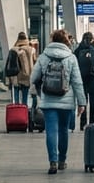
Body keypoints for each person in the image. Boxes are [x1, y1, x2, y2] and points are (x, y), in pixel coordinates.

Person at [30, 29, 86, 174]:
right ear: (66, 41)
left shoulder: (43, 56)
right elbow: (77, 82)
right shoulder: (71, 57)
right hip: (66, 101)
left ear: (52, 40)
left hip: (48, 100)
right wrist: (82, 103)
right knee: (63, 131)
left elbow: (33, 77)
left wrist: (37, 91)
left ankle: (52, 161)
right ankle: (62, 161)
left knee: (51, 131)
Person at [75, 31, 94, 128]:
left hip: (81, 79)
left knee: (83, 101)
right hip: (93, 79)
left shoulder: (78, 50)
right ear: (92, 39)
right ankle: (92, 123)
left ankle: (83, 123)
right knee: (93, 101)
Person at [8, 32, 37, 106]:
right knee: (25, 95)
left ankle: (17, 111)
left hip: (16, 75)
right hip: (28, 74)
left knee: (16, 95)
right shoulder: (32, 49)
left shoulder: (13, 50)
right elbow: (35, 61)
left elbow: (10, 64)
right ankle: (25, 111)